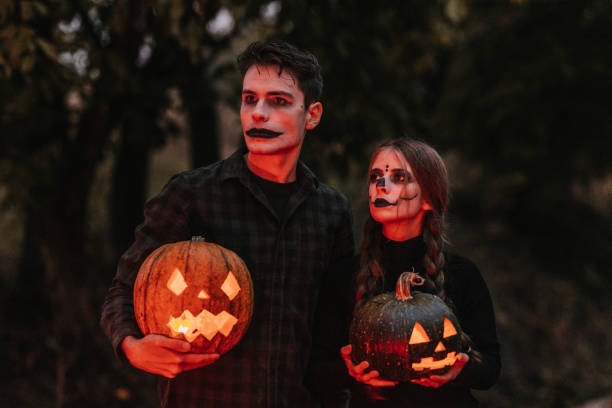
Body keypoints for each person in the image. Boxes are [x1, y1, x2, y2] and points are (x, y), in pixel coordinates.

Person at [100, 40, 355, 408]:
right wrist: (131, 346)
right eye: (250, 99)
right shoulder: (191, 194)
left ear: (312, 115)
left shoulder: (332, 211)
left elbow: (330, 336)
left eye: (278, 101)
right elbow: (122, 291)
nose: (258, 113)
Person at [340, 138, 501, 407]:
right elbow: (318, 364)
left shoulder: (463, 274)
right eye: (375, 176)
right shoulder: (346, 273)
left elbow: (491, 367)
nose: (381, 185)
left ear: (428, 198)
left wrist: (461, 370)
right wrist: (348, 373)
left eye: (399, 177)